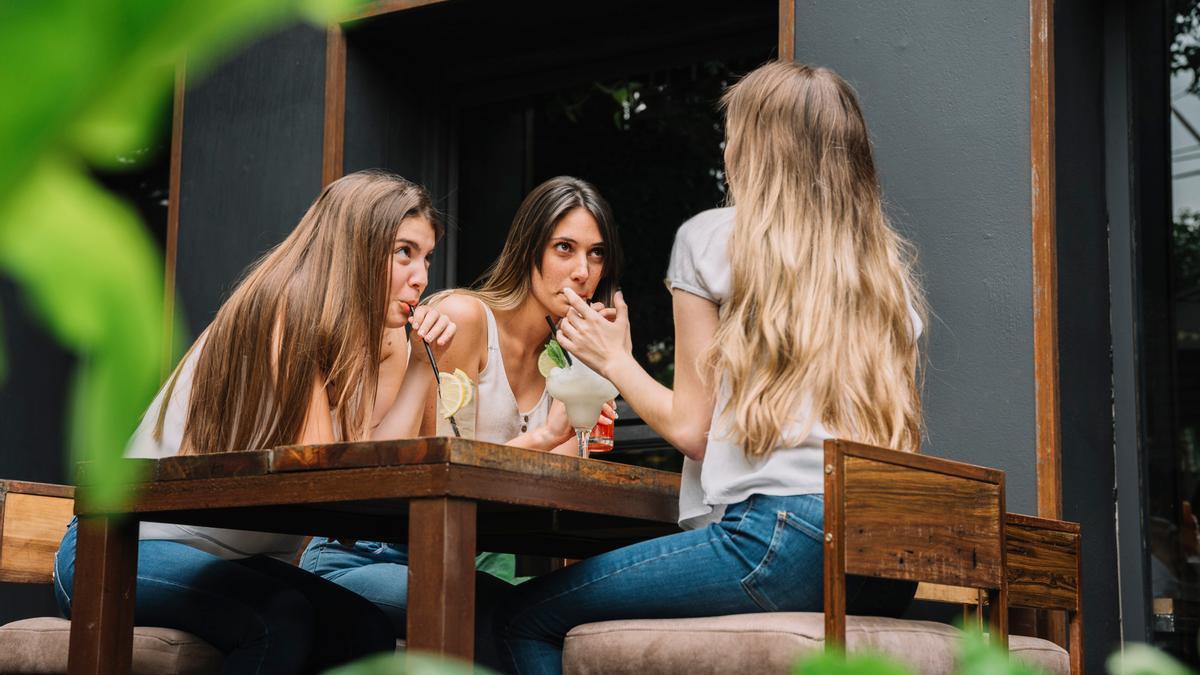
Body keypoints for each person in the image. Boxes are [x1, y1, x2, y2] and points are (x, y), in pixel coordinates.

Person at [492, 61, 929, 674]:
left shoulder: (712, 239)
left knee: (521, 619)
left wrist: (614, 359)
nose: (725, 149)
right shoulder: (886, 278)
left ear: (756, 148)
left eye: (734, 135)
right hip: (884, 563)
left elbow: (694, 432)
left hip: (780, 542)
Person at [53, 169, 456, 673]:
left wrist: (422, 363)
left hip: (231, 561)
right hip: (123, 548)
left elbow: (373, 478)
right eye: (404, 252)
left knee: (365, 629)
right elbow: (325, 477)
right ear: (355, 244)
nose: (421, 276)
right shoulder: (285, 309)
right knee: (279, 621)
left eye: (426, 257)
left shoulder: (380, 340)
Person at [300, 175, 621, 668]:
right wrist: (546, 436)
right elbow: (430, 472)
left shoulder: (565, 361)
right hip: (370, 553)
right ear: (527, 250)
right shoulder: (463, 319)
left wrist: (585, 423)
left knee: (561, 614)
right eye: (564, 248)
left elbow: (551, 482)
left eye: (596, 254)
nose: (582, 271)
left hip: (453, 560)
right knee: (511, 617)